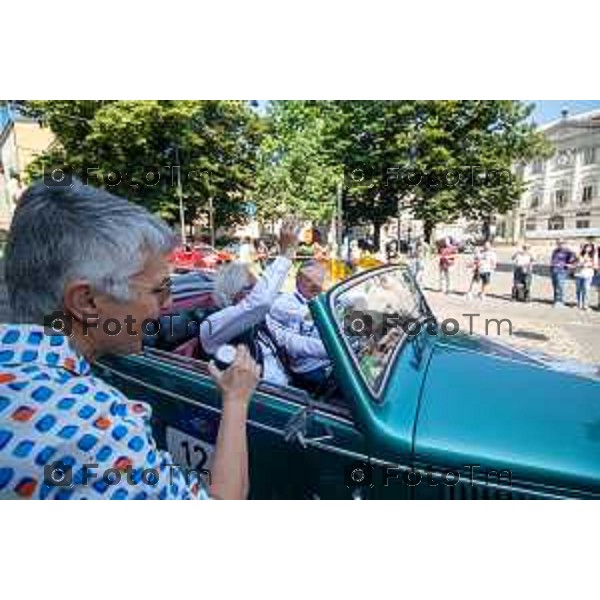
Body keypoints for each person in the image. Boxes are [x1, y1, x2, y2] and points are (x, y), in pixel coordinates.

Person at [0, 180, 258, 500]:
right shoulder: (97, 429)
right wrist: (236, 399)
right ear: (87, 302)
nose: (166, 305)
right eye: (158, 289)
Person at [199, 224, 298, 386]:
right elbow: (260, 302)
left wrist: (329, 349)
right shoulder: (212, 325)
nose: (256, 292)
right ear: (232, 292)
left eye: (257, 287)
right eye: (252, 288)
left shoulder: (258, 320)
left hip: (289, 390)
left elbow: (289, 340)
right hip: (261, 400)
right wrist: (285, 255)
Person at [267, 260, 330, 393]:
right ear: (297, 281)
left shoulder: (321, 299)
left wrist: (376, 326)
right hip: (309, 370)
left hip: (330, 362)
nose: (315, 285)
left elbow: (346, 311)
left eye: (319, 280)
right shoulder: (284, 303)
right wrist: (337, 350)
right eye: (309, 280)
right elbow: (313, 316)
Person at [550, 239, 575, 307]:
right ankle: (556, 300)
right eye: (558, 243)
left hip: (562, 271)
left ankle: (560, 301)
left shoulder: (568, 251)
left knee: (560, 286)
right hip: (554, 270)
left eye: (561, 243)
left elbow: (574, 259)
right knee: (555, 286)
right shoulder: (555, 251)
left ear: (564, 243)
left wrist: (568, 265)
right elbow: (553, 260)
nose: (560, 244)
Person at [574, 243, 597, 310]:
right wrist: (579, 263)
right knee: (578, 289)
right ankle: (579, 303)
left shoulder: (593, 255)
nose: (588, 249)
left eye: (589, 247)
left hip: (588, 274)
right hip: (578, 274)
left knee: (586, 289)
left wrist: (588, 265)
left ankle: (585, 305)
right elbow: (575, 262)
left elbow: (595, 265)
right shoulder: (580, 254)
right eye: (586, 247)